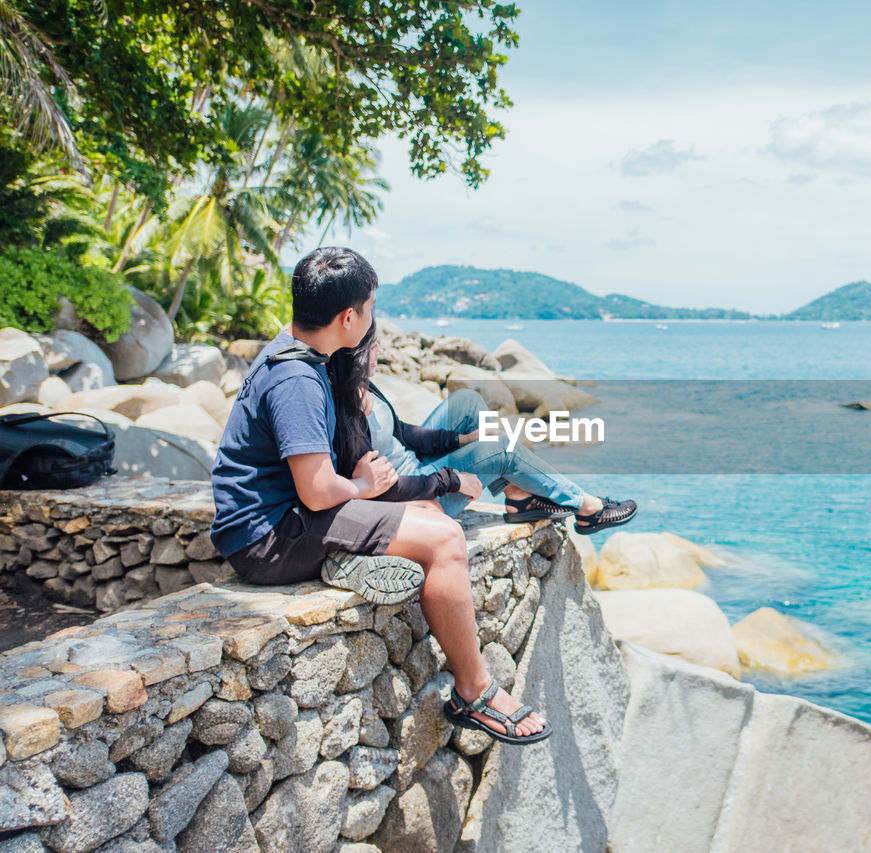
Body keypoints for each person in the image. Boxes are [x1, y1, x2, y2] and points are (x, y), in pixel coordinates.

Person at [210, 247, 549, 745]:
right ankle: (474, 692)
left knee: (418, 510)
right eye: (369, 309)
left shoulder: (290, 351)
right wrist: (366, 489)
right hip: (269, 537)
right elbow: (318, 489)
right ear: (348, 317)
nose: (371, 322)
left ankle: (350, 555)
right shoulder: (297, 379)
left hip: (275, 522)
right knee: (444, 538)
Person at [327, 320, 638, 534]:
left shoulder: (364, 386)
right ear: (354, 353)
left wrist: (464, 438)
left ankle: (516, 492)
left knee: (467, 400)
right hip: (417, 496)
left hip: (418, 468)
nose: (381, 352)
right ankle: (586, 508)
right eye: (374, 346)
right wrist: (451, 481)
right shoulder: (344, 413)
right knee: (503, 447)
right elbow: (382, 491)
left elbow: (404, 434)